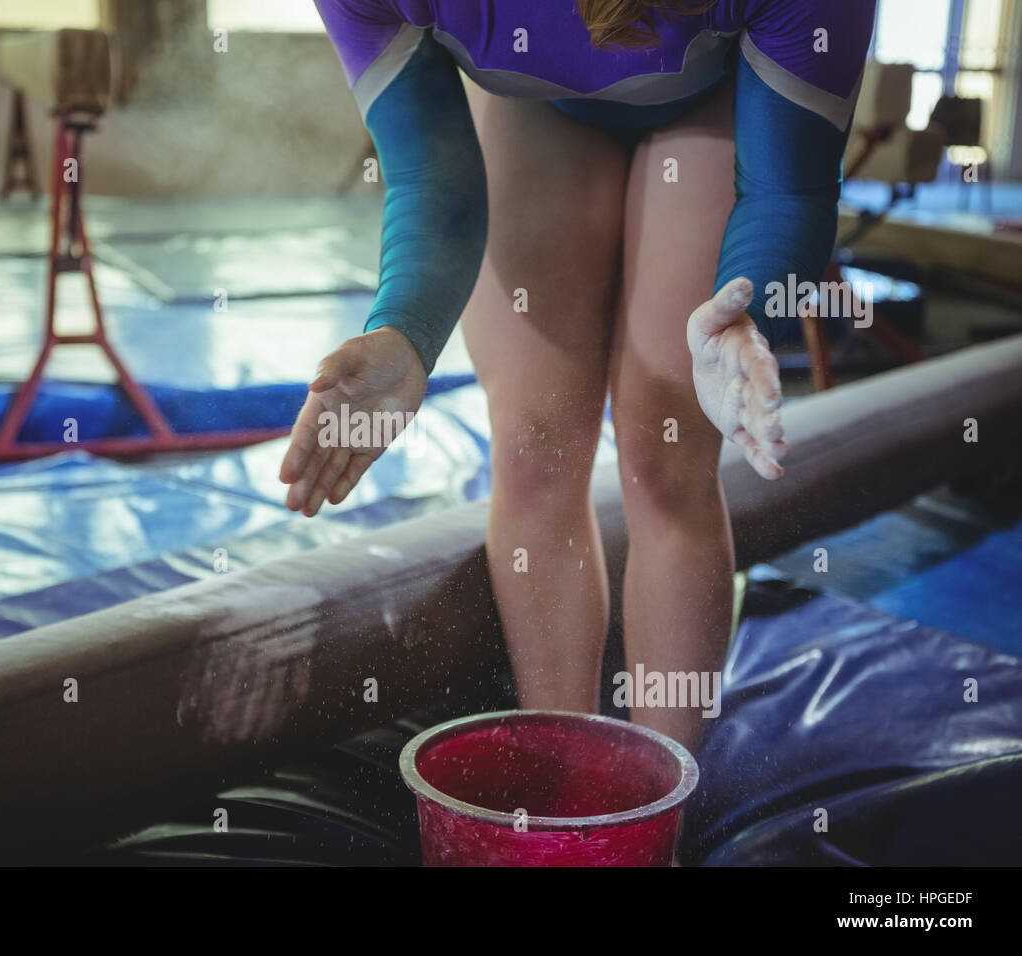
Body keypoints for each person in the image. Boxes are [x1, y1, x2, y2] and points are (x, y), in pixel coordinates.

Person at [280, 0, 876, 754]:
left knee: (665, 457)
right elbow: (433, 181)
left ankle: (657, 810)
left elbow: (787, 189)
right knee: (533, 451)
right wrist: (404, 328)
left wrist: (743, 311)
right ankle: (563, 780)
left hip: (717, 105)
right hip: (532, 109)